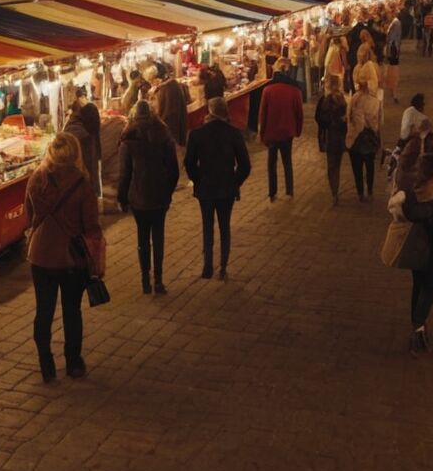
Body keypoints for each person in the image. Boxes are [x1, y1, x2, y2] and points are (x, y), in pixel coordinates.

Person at [25, 132, 104, 383]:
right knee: (72, 310)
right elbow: (91, 225)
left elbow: (29, 215)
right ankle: (73, 363)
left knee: (44, 310)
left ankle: (46, 365)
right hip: (71, 257)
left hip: (40, 254)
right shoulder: (82, 183)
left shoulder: (37, 179)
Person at [390, 154, 433, 354]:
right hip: (431, 252)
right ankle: (418, 326)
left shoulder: (412, 193)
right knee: (429, 287)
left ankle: (417, 325)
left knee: (418, 284)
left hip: (413, 250)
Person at [184, 96, 251, 280]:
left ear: (209, 111)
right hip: (226, 188)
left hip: (206, 187)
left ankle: (207, 266)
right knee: (224, 226)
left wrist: (197, 179)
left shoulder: (198, 134)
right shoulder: (233, 133)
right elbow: (245, 165)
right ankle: (223, 267)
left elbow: (189, 162)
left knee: (207, 225)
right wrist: (235, 181)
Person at [117, 101, 179, 295]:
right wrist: (168, 190)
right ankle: (158, 281)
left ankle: (145, 280)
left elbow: (124, 174)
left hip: (139, 197)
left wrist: (122, 198)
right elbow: (174, 170)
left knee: (142, 239)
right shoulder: (164, 135)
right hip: (159, 196)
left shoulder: (128, 140)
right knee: (158, 237)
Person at [258, 57, 304, 202]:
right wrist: (297, 130)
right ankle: (289, 190)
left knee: (271, 163)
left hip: (272, 132)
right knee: (287, 161)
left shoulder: (268, 90)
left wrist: (262, 132)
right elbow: (299, 114)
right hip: (287, 131)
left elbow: (262, 114)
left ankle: (273, 192)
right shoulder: (295, 91)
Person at [316, 75, 348, 205]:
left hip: (330, 136)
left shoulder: (326, 100)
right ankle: (336, 189)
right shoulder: (342, 99)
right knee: (337, 165)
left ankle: (334, 191)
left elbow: (319, 118)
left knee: (331, 166)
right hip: (340, 136)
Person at [347, 79, 380, 202]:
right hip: (368, 139)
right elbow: (375, 123)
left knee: (357, 168)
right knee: (370, 166)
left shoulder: (353, 100)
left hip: (355, 139)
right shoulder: (374, 102)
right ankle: (370, 189)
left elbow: (349, 119)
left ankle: (360, 191)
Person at [150, 63, 190, 147]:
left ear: (157, 78)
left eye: (151, 81)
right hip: (171, 131)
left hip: (170, 134)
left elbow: (167, 113)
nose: (151, 84)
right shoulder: (169, 85)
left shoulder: (168, 88)